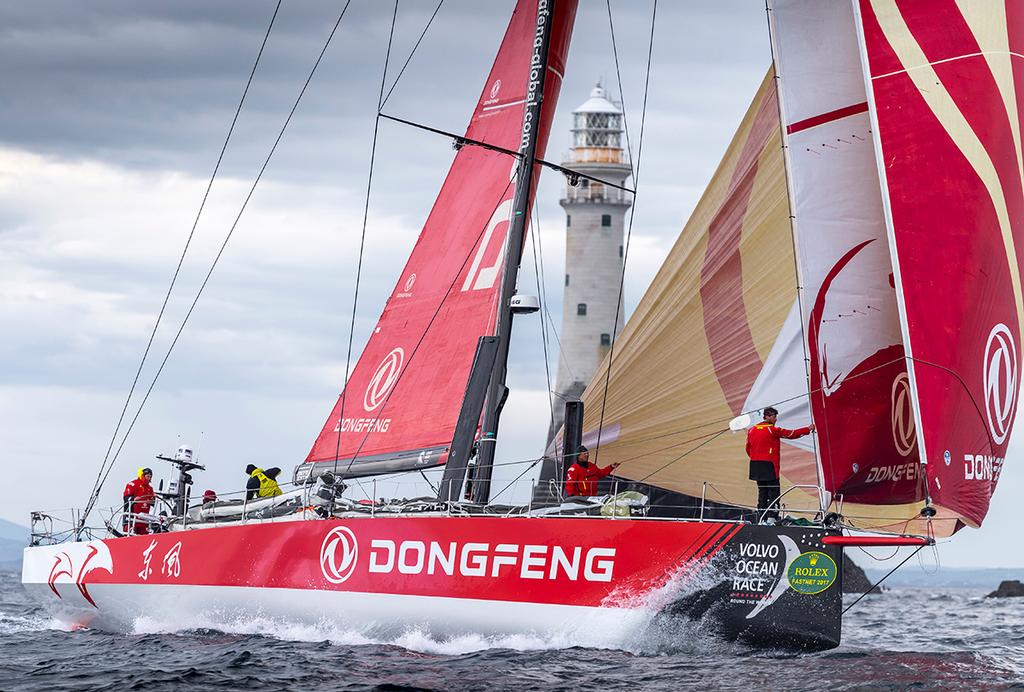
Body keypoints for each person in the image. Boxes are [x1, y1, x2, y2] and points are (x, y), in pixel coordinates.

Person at [746, 407, 814, 523]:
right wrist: (808, 429)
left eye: (775, 416)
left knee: (762, 492)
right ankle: (772, 518)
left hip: (756, 465)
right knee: (774, 492)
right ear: (766, 416)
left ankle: (761, 517)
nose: (775, 419)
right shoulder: (772, 430)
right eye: (773, 416)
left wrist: (756, 457)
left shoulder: (752, 430)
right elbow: (791, 434)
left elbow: (748, 448)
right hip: (769, 466)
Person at [122, 467, 155, 535]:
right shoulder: (132, 484)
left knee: (144, 536)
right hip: (131, 517)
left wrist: (153, 500)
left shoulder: (150, 489)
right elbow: (126, 497)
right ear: (143, 475)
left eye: (150, 477)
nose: (149, 478)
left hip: (144, 519)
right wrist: (134, 499)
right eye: (147, 476)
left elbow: (153, 501)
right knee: (129, 533)